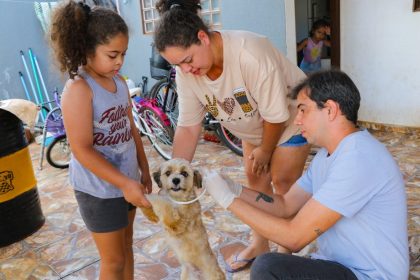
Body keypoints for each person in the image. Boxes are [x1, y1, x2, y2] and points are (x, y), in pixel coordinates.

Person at [202, 70, 409, 279]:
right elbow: (285, 205)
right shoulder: (326, 156)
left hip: (371, 276)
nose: (297, 120)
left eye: (303, 110)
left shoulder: (358, 158)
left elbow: (295, 238)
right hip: (341, 267)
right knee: (275, 266)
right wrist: (235, 190)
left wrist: (228, 201)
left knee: (268, 267)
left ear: (330, 110)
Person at [154, 0, 310, 272]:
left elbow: (276, 116)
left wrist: (264, 150)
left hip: (291, 121)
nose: (186, 70)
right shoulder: (185, 72)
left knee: (284, 186)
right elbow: (189, 126)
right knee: (256, 186)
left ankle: (285, 254)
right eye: (178, 65)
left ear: (202, 38)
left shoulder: (250, 54)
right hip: (251, 127)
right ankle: (260, 245)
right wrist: (175, 171)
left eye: (188, 60)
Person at [49, 1, 152, 279]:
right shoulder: (79, 89)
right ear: (87, 50)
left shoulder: (119, 82)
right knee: (113, 260)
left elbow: (131, 128)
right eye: (112, 54)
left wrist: (143, 167)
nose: (120, 61)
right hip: (98, 192)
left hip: (126, 183)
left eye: (124, 54)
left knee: (128, 247)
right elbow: (81, 149)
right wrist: (125, 182)